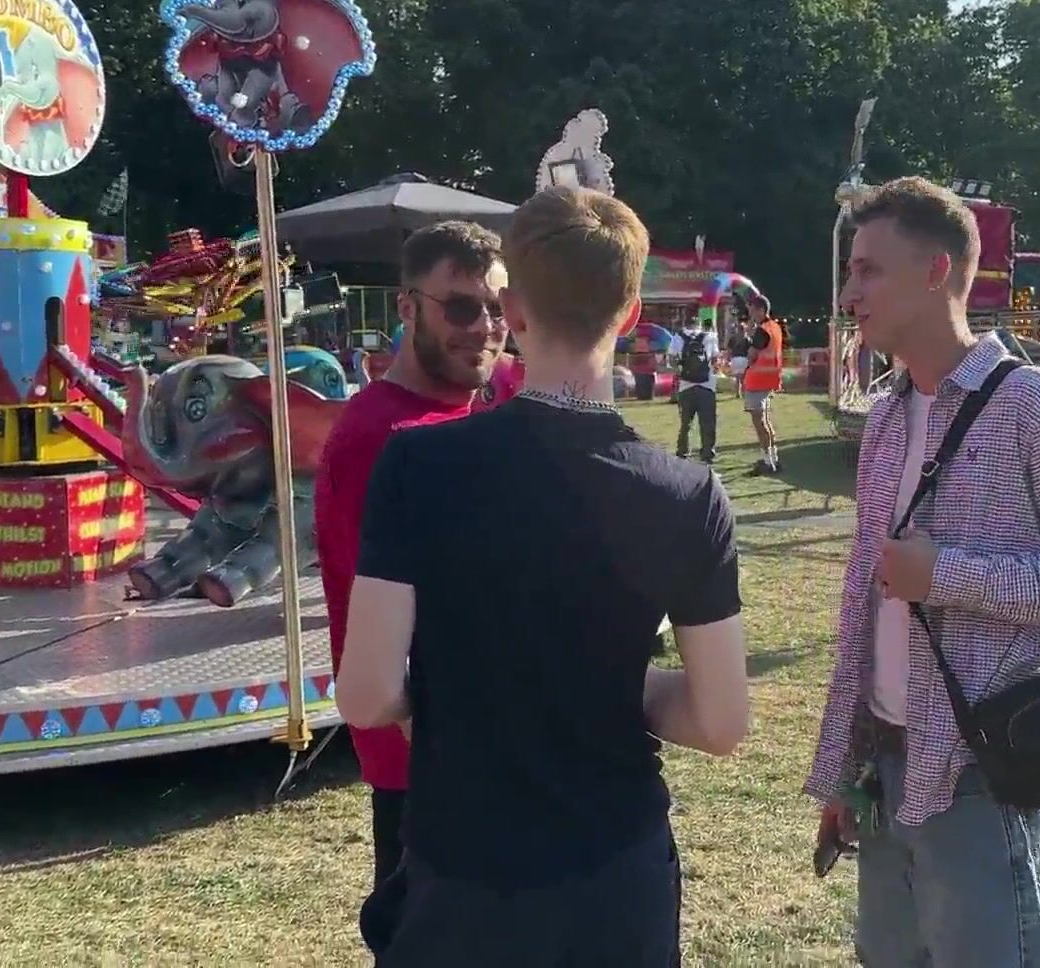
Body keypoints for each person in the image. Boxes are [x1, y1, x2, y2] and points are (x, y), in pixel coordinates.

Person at [337, 186, 750, 967]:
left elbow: (366, 694)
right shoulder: (689, 495)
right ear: (630, 315)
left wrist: (466, 685)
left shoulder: (418, 464)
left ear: (513, 309)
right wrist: (608, 682)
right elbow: (721, 721)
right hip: (615, 876)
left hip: (462, 873)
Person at [804, 177, 1040, 968]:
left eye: (868, 271)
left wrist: (948, 575)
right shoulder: (885, 415)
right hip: (888, 768)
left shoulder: (1037, 406)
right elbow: (869, 609)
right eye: (850, 272)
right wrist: (847, 769)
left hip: (980, 773)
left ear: (937, 271)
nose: (849, 294)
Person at [311, 221, 511, 930]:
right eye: (460, 307)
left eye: (498, 308)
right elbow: (380, 624)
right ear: (406, 307)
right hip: (432, 767)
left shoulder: (450, 414)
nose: (484, 327)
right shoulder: (386, 437)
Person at [742, 295, 784, 474]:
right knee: (765, 421)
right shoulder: (775, 327)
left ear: (760, 310)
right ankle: (773, 458)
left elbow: (752, 355)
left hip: (757, 380)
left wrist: (748, 342)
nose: (750, 314)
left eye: (752, 310)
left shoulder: (762, 330)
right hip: (769, 379)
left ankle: (768, 462)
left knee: (760, 424)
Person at [670, 313, 719, 463]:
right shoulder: (710, 336)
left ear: (684, 322)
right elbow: (715, 360)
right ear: (699, 323)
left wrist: (680, 372)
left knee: (685, 423)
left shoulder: (677, 337)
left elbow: (672, 360)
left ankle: (683, 451)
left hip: (686, 386)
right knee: (708, 422)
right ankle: (707, 453)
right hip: (707, 385)